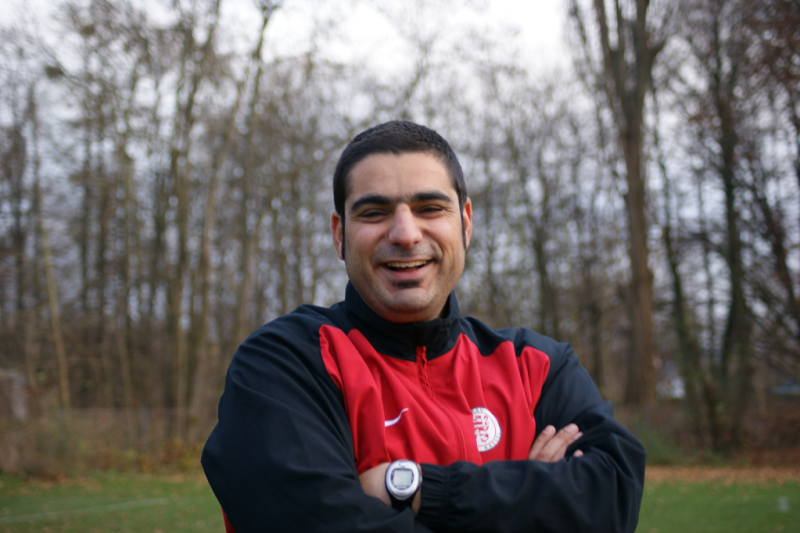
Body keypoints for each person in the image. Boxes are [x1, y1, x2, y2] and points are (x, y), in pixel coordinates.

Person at [201, 120, 645, 533]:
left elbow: (612, 498)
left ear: (465, 223)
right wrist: (532, 501)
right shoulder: (285, 363)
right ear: (339, 234)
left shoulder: (538, 366)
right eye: (374, 212)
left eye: (429, 208)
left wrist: (415, 488)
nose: (405, 233)